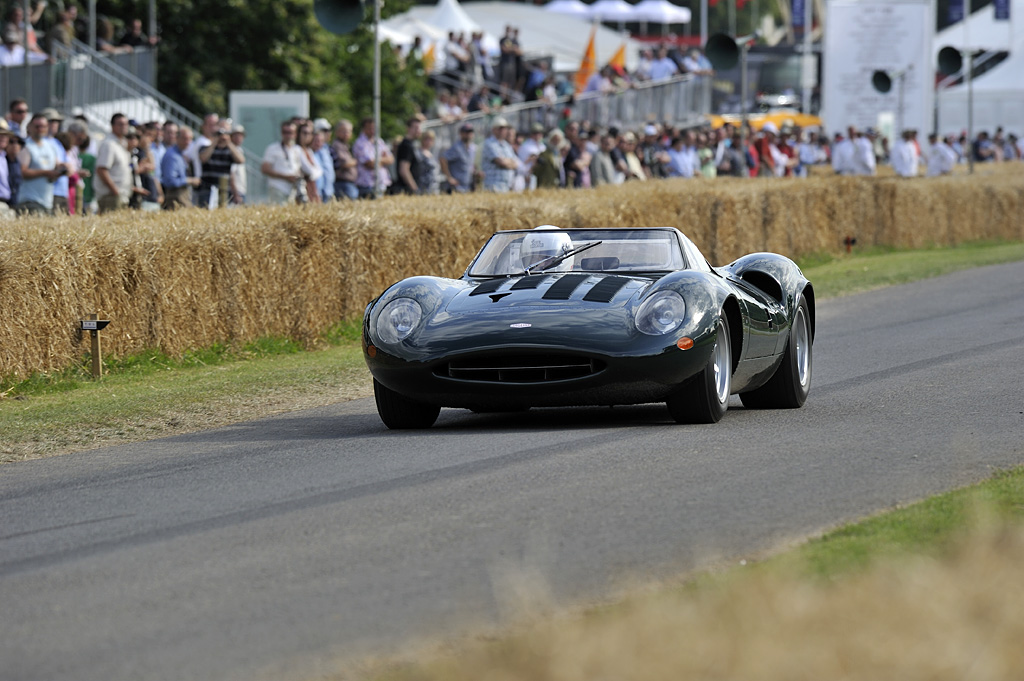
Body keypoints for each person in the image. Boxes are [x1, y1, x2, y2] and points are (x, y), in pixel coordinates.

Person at [17, 113, 64, 215]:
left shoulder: (50, 146)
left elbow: (57, 165)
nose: (40, 129)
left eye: (43, 126)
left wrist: (64, 167)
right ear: (30, 127)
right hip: (30, 201)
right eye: (37, 126)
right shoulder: (26, 146)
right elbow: (22, 171)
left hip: (47, 202)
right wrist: (46, 173)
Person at [94, 114, 136, 213]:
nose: (124, 126)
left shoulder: (122, 144)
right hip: (111, 196)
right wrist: (115, 190)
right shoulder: (109, 144)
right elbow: (101, 170)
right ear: (112, 126)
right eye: (120, 124)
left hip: (120, 195)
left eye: (126, 124)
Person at [198, 123, 244, 207]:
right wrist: (214, 142)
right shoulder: (205, 148)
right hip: (207, 189)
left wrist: (229, 143)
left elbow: (241, 160)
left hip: (224, 190)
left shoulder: (230, 151)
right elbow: (203, 158)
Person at [260, 121, 304, 204]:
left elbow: (299, 168)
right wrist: (286, 177)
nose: (287, 135)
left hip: (292, 190)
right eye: (285, 132)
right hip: (278, 188)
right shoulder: (273, 148)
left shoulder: (297, 149)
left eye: (290, 132)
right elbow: (264, 169)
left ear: (295, 134)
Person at [352, 117, 394, 198]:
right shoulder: (360, 144)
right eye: (370, 128)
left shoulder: (379, 141)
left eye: (374, 128)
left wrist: (377, 160)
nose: (372, 131)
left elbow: (391, 159)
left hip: (381, 183)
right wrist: (383, 159)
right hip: (367, 184)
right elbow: (370, 164)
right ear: (364, 129)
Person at [160, 126, 200, 209]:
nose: (188, 142)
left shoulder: (180, 154)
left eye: (190, 139)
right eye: (185, 139)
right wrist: (190, 180)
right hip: (175, 199)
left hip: (181, 198)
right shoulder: (172, 156)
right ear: (177, 138)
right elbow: (170, 181)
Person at [481, 117, 518, 193]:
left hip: (507, 186)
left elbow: (516, 164)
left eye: (505, 128)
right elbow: (501, 162)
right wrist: (508, 162)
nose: (503, 131)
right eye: (500, 128)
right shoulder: (489, 143)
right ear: (494, 129)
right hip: (493, 185)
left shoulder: (507, 145)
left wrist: (506, 162)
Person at [441, 122, 477, 193]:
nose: (468, 134)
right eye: (466, 132)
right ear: (461, 133)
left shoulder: (473, 148)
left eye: (470, 132)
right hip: (457, 187)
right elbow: (442, 159)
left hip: (468, 185)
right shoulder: (456, 148)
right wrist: (449, 177)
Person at [331, 119, 359, 200]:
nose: (347, 134)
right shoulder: (337, 145)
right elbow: (344, 163)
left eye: (349, 131)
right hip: (343, 183)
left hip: (349, 183)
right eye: (343, 131)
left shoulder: (346, 146)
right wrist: (356, 161)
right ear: (336, 132)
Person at [395, 116, 423, 195]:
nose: (419, 130)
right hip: (407, 190)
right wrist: (415, 189)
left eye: (419, 128)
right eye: (416, 128)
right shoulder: (406, 146)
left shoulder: (412, 144)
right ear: (408, 128)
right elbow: (404, 170)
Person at [311, 119, 334, 202]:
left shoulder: (326, 149)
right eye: (323, 130)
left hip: (328, 190)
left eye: (327, 130)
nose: (327, 133)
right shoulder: (311, 152)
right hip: (318, 192)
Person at [228, 124, 247, 204]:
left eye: (240, 135)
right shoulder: (232, 151)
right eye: (236, 135)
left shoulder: (239, 150)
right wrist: (235, 194)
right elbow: (231, 174)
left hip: (240, 190)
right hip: (235, 192)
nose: (239, 138)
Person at [418, 129, 440, 195]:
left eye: (431, 139)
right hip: (424, 186)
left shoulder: (432, 153)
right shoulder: (419, 153)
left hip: (434, 185)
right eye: (426, 139)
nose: (429, 141)